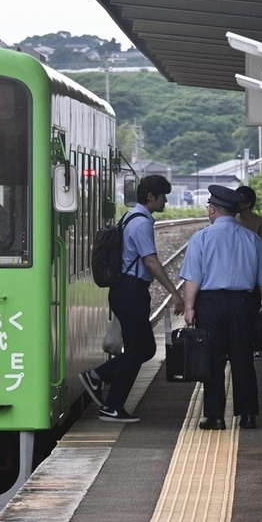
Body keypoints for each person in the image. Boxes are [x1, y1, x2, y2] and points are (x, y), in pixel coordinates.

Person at [80, 174, 186, 423]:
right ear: (151, 197)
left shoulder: (132, 216)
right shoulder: (141, 224)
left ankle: (100, 381)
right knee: (140, 349)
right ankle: (110, 402)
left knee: (144, 348)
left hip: (127, 291)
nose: (166, 202)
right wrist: (174, 292)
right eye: (163, 197)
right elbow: (150, 261)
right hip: (130, 291)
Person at [180, 185, 262, 430]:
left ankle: (215, 416)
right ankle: (249, 415)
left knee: (213, 361)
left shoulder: (201, 238)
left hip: (210, 304)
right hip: (243, 304)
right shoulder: (252, 239)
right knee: (243, 358)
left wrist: (190, 308)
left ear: (212, 210)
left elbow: (193, 279)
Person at [236, 185, 262, 357]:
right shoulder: (232, 220)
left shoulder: (259, 223)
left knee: (256, 311)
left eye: (240, 199)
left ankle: (257, 346)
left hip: (255, 274)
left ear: (248, 203)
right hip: (238, 273)